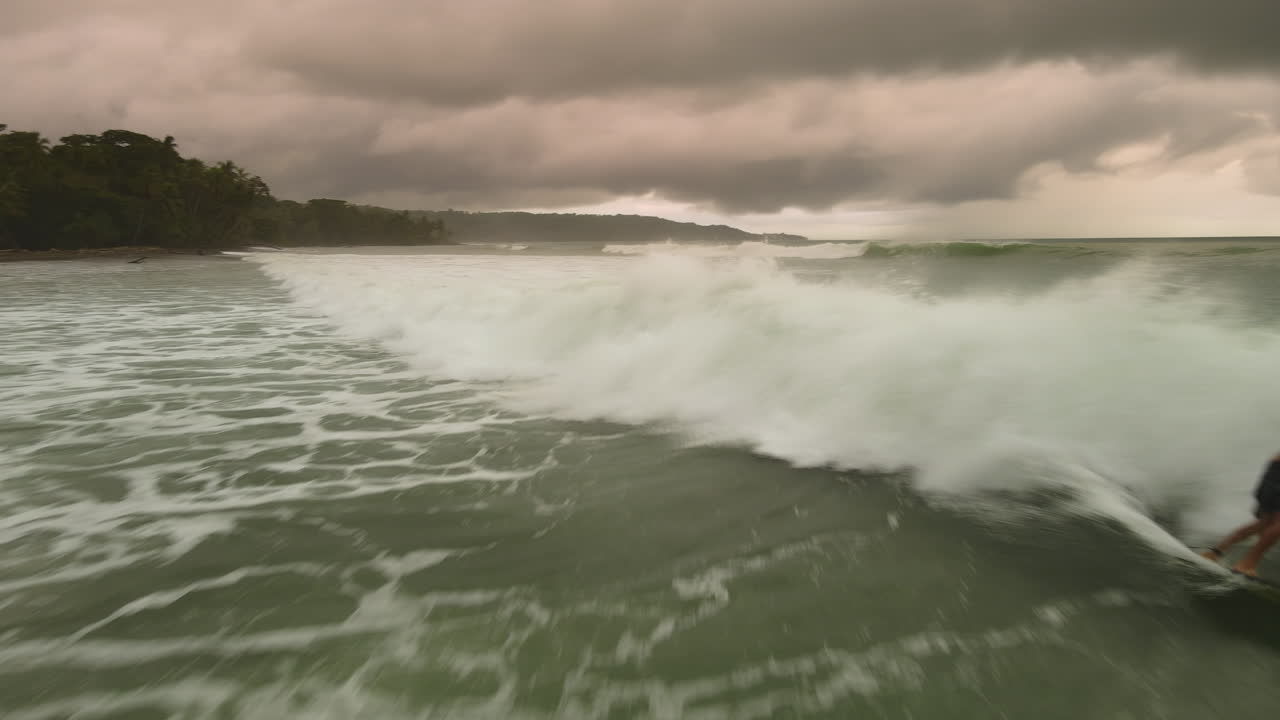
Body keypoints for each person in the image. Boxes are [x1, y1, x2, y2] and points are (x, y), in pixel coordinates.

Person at [1201, 452, 1280, 577]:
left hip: (1274, 472)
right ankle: (1245, 565)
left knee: (1265, 523)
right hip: (1277, 474)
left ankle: (1214, 553)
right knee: (1273, 525)